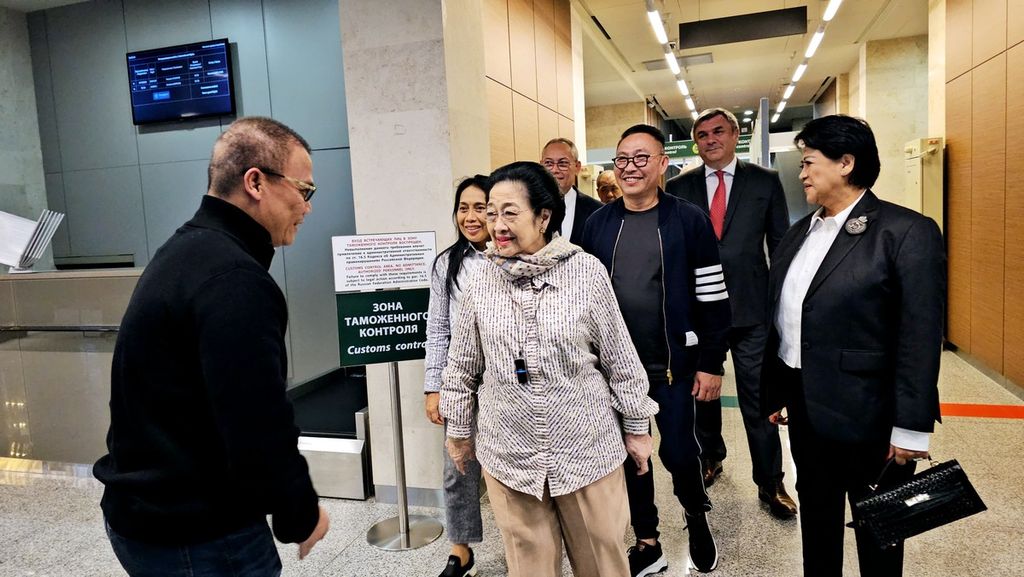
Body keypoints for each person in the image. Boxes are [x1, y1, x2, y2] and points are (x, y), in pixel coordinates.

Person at [94, 117, 329, 576]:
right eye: (305, 190)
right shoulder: (234, 279)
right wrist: (299, 513)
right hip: (196, 532)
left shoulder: (189, 251)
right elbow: (257, 420)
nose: (308, 207)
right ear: (256, 182)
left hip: (148, 513)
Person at [440, 161, 658, 577]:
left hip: (585, 450)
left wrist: (636, 428)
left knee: (602, 561)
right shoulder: (481, 280)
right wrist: (459, 433)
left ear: (543, 217)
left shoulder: (586, 273)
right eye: (492, 213)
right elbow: (462, 365)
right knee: (528, 566)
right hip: (510, 454)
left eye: (509, 212)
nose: (496, 225)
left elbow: (620, 359)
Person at [761, 115, 945, 576]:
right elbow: (786, 318)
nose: (801, 173)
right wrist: (780, 389)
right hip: (807, 410)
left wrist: (910, 430)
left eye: (809, 162)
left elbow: (919, 337)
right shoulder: (800, 234)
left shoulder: (904, 232)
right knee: (817, 524)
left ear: (846, 163)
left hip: (872, 418)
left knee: (880, 535)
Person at [582, 124, 731, 575]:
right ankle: (647, 540)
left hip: (672, 366)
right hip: (613, 369)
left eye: (641, 158)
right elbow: (582, 295)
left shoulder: (688, 220)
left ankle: (695, 513)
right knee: (632, 455)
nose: (629, 168)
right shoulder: (599, 225)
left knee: (680, 453)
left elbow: (713, 297)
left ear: (663, 164)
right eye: (622, 159)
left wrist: (711, 362)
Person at [665, 107, 796, 518]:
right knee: (702, 391)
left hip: (751, 309)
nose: (710, 140)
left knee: (758, 399)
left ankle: (771, 481)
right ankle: (710, 457)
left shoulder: (765, 181)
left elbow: (781, 247)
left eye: (717, 131)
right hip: (701, 311)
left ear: (735, 134)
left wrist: (779, 310)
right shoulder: (680, 186)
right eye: (701, 134)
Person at [423, 175, 491, 577]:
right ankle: (460, 550)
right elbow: (437, 329)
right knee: (457, 469)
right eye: (463, 207)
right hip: (459, 382)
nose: (470, 216)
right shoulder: (447, 263)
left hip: (506, 382)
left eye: (479, 206)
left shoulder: (511, 256)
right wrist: (434, 387)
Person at [540, 137, 602, 244]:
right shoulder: (528, 207)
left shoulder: (597, 211)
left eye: (563, 163)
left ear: (577, 167)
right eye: (549, 163)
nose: (554, 170)